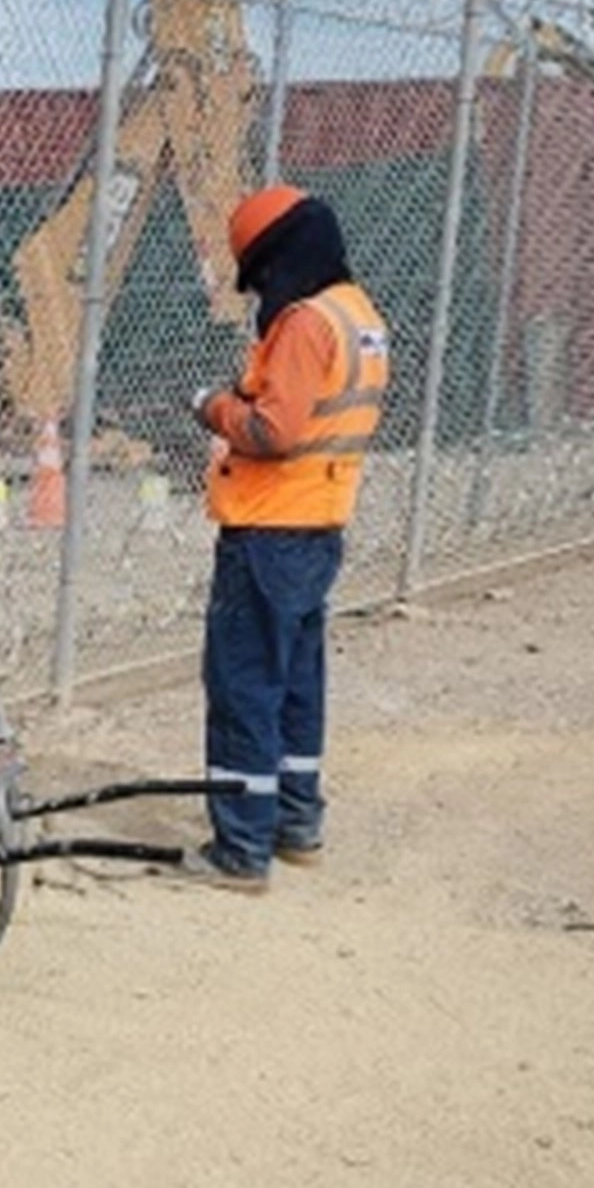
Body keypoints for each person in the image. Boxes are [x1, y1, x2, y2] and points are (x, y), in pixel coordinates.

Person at [181, 186, 389, 891]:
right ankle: (295, 821)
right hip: (317, 522)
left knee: (244, 684)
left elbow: (273, 430)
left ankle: (240, 848)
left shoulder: (304, 323)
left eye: (260, 275)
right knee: (296, 683)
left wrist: (211, 406)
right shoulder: (357, 315)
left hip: (268, 527)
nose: (260, 291)